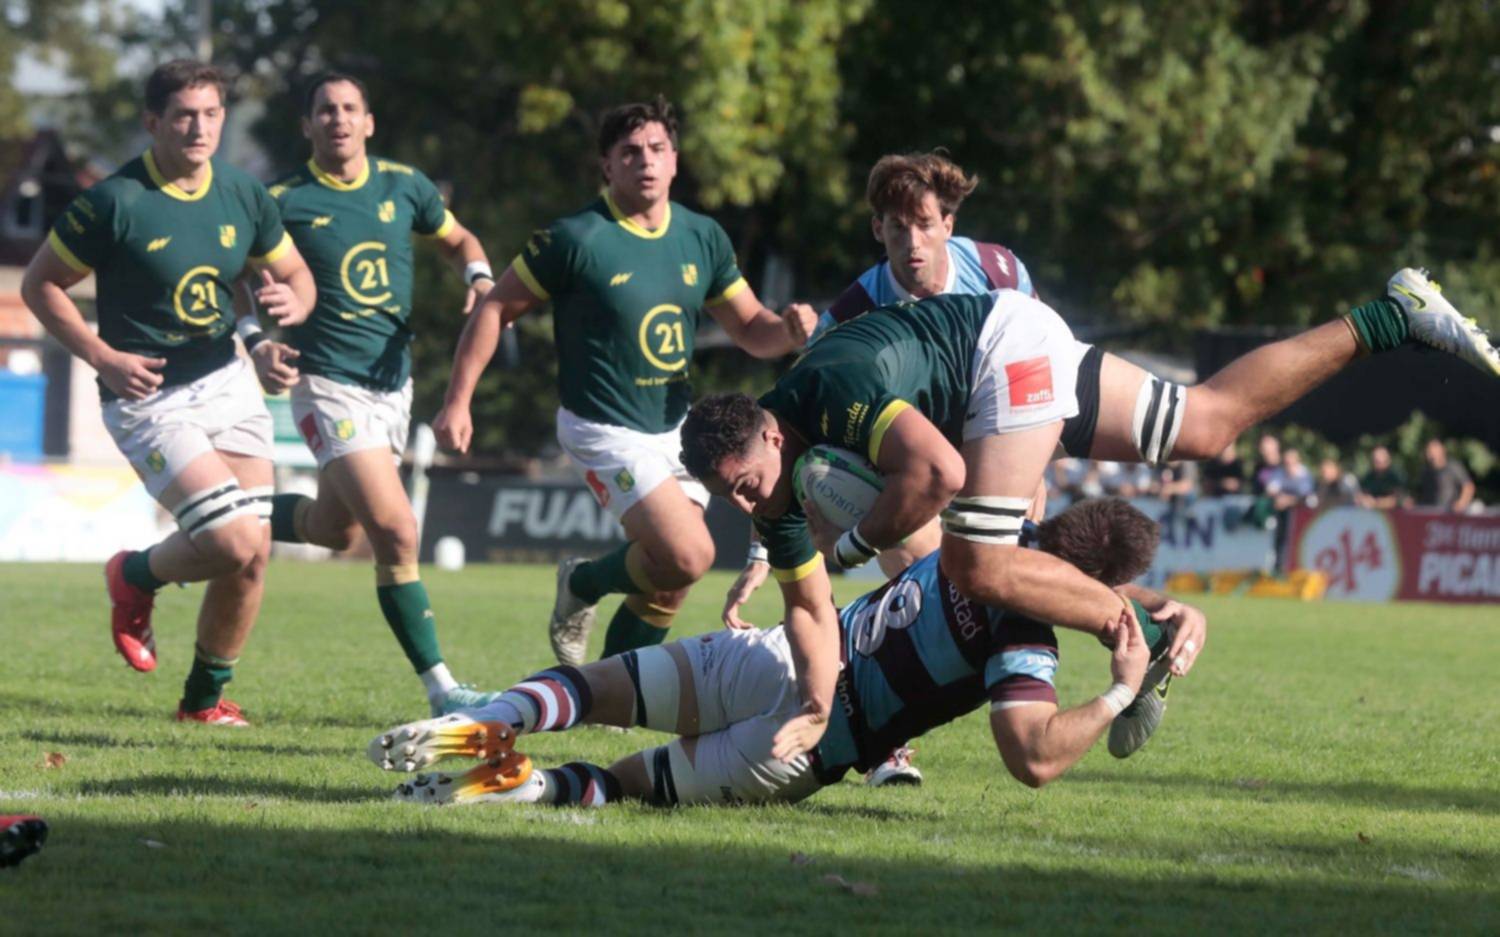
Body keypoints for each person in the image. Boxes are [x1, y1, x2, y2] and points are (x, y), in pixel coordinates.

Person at [678, 259, 1495, 758]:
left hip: (1001, 356)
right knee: (1206, 423)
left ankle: (1140, 631)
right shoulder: (770, 479)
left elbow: (936, 472)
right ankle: (1395, 314)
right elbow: (809, 609)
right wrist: (816, 704)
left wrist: (852, 545)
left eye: (748, 483)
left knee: (974, 561)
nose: (750, 500)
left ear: (771, 432)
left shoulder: (828, 389)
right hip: (1012, 347)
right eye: (733, 495)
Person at [368, 499, 1198, 807]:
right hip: (803, 745)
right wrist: (1120, 689)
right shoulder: (1023, 637)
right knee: (619, 784)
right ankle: (523, 786)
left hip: (778, 656)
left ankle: (486, 720)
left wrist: (1158, 607)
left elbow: (850, 499)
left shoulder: (985, 531)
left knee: (593, 686)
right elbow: (1032, 758)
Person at [432, 96, 816, 668]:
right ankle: (583, 583)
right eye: (630, 152)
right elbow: (495, 309)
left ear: (675, 160)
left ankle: (612, 693)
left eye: (657, 148)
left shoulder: (702, 237)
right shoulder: (575, 237)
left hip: (675, 428)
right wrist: (457, 401)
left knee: (670, 582)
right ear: (607, 165)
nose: (646, 160)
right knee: (689, 554)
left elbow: (749, 329)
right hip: (602, 426)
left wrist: (786, 331)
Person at [21, 60, 317, 726]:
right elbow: (39, 285)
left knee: (253, 555)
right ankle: (134, 575)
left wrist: (289, 307)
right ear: (153, 122)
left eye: (211, 114)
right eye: (184, 115)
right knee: (234, 540)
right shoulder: (113, 201)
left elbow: (296, 276)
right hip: (148, 397)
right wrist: (103, 356)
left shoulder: (242, 193)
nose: (199, 128)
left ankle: (203, 702)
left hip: (227, 381)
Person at [249, 73, 497, 715]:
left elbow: (459, 240)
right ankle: (442, 689)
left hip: (393, 386)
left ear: (369, 122)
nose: (338, 118)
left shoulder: (403, 185)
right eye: (325, 110)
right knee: (396, 528)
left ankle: (231, 510)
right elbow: (232, 275)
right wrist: (257, 340)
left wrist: (477, 275)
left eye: (349, 108)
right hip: (325, 383)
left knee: (334, 529)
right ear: (307, 125)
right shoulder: (282, 199)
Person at [1416, 438, 1475, 512]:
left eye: (1434, 451)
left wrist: (1461, 503)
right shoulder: (1425, 471)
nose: (1432, 454)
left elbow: (1468, 486)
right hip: (1430, 512)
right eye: (1429, 451)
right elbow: (1419, 493)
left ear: (1443, 450)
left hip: (1449, 513)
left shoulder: (1453, 467)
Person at [1358, 444, 1407, 509]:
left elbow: (1398, 500)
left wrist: (1377, 503)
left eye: (1383, 462)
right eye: (1377, 461)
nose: (1380, 465)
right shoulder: (1368, 478)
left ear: (1388, 461)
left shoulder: (1395, 478)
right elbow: (1360, 496)